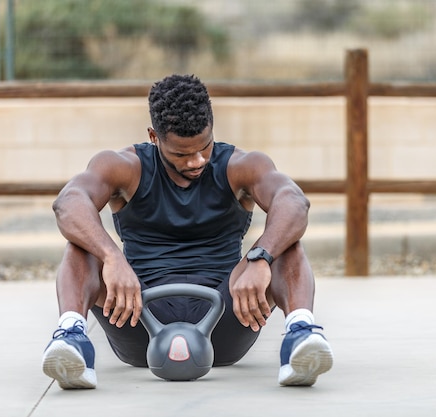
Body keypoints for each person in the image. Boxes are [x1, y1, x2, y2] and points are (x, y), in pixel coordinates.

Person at [41, 74, 333, 389]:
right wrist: (111, 256)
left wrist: (259, 257)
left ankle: (301, 336)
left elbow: (293, 202)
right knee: (82, 246)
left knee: (285, 243)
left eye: (204, 148)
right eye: (181, 154)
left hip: (227, 316)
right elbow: (69, 202)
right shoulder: (124, 166)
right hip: (136, 315)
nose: (196, 160)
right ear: (154, 136)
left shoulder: (241, 165)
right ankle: (71, 340)